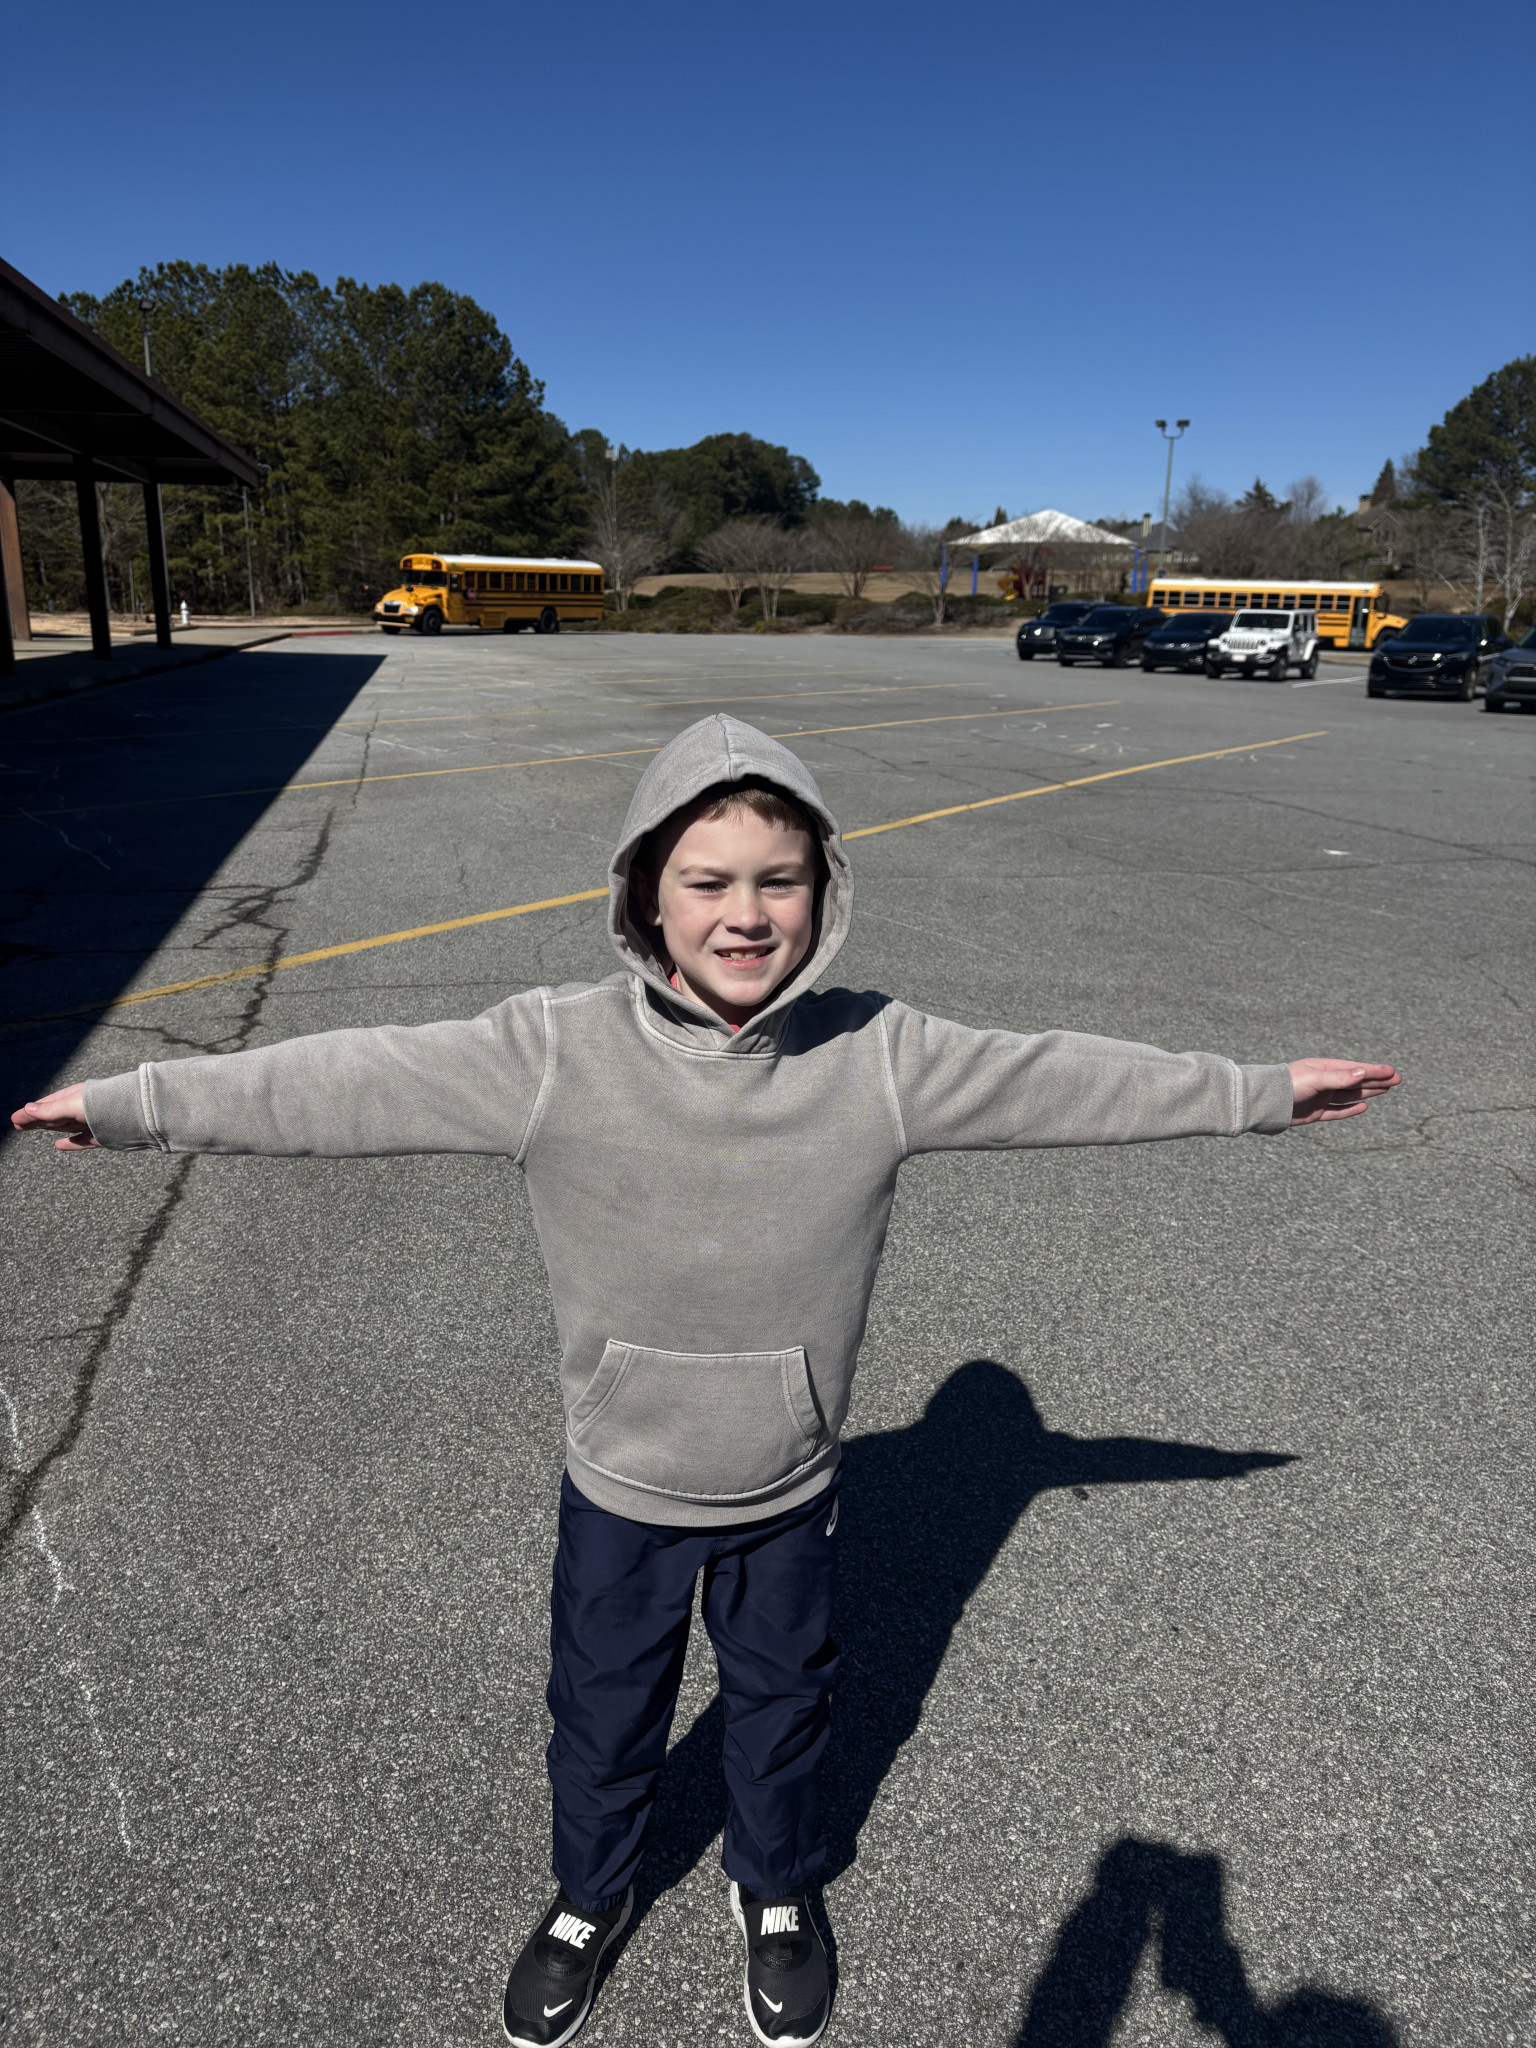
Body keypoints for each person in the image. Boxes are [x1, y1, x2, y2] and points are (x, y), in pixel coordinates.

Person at [12, 715, 1400, 2048]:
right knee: (602, 1715)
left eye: (778, 881)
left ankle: (777, 1888)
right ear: (645, 897)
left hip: (787, 1489)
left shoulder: (880, 1057)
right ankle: (590, 1896)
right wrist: (137, 1107)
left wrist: (1260, 1090)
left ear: (823, 894)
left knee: (784, 1707)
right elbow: (345, 1078)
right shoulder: (550, 1051)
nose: (746, 914)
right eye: (708, 881)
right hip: (621, 1484)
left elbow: (1066, 1079)